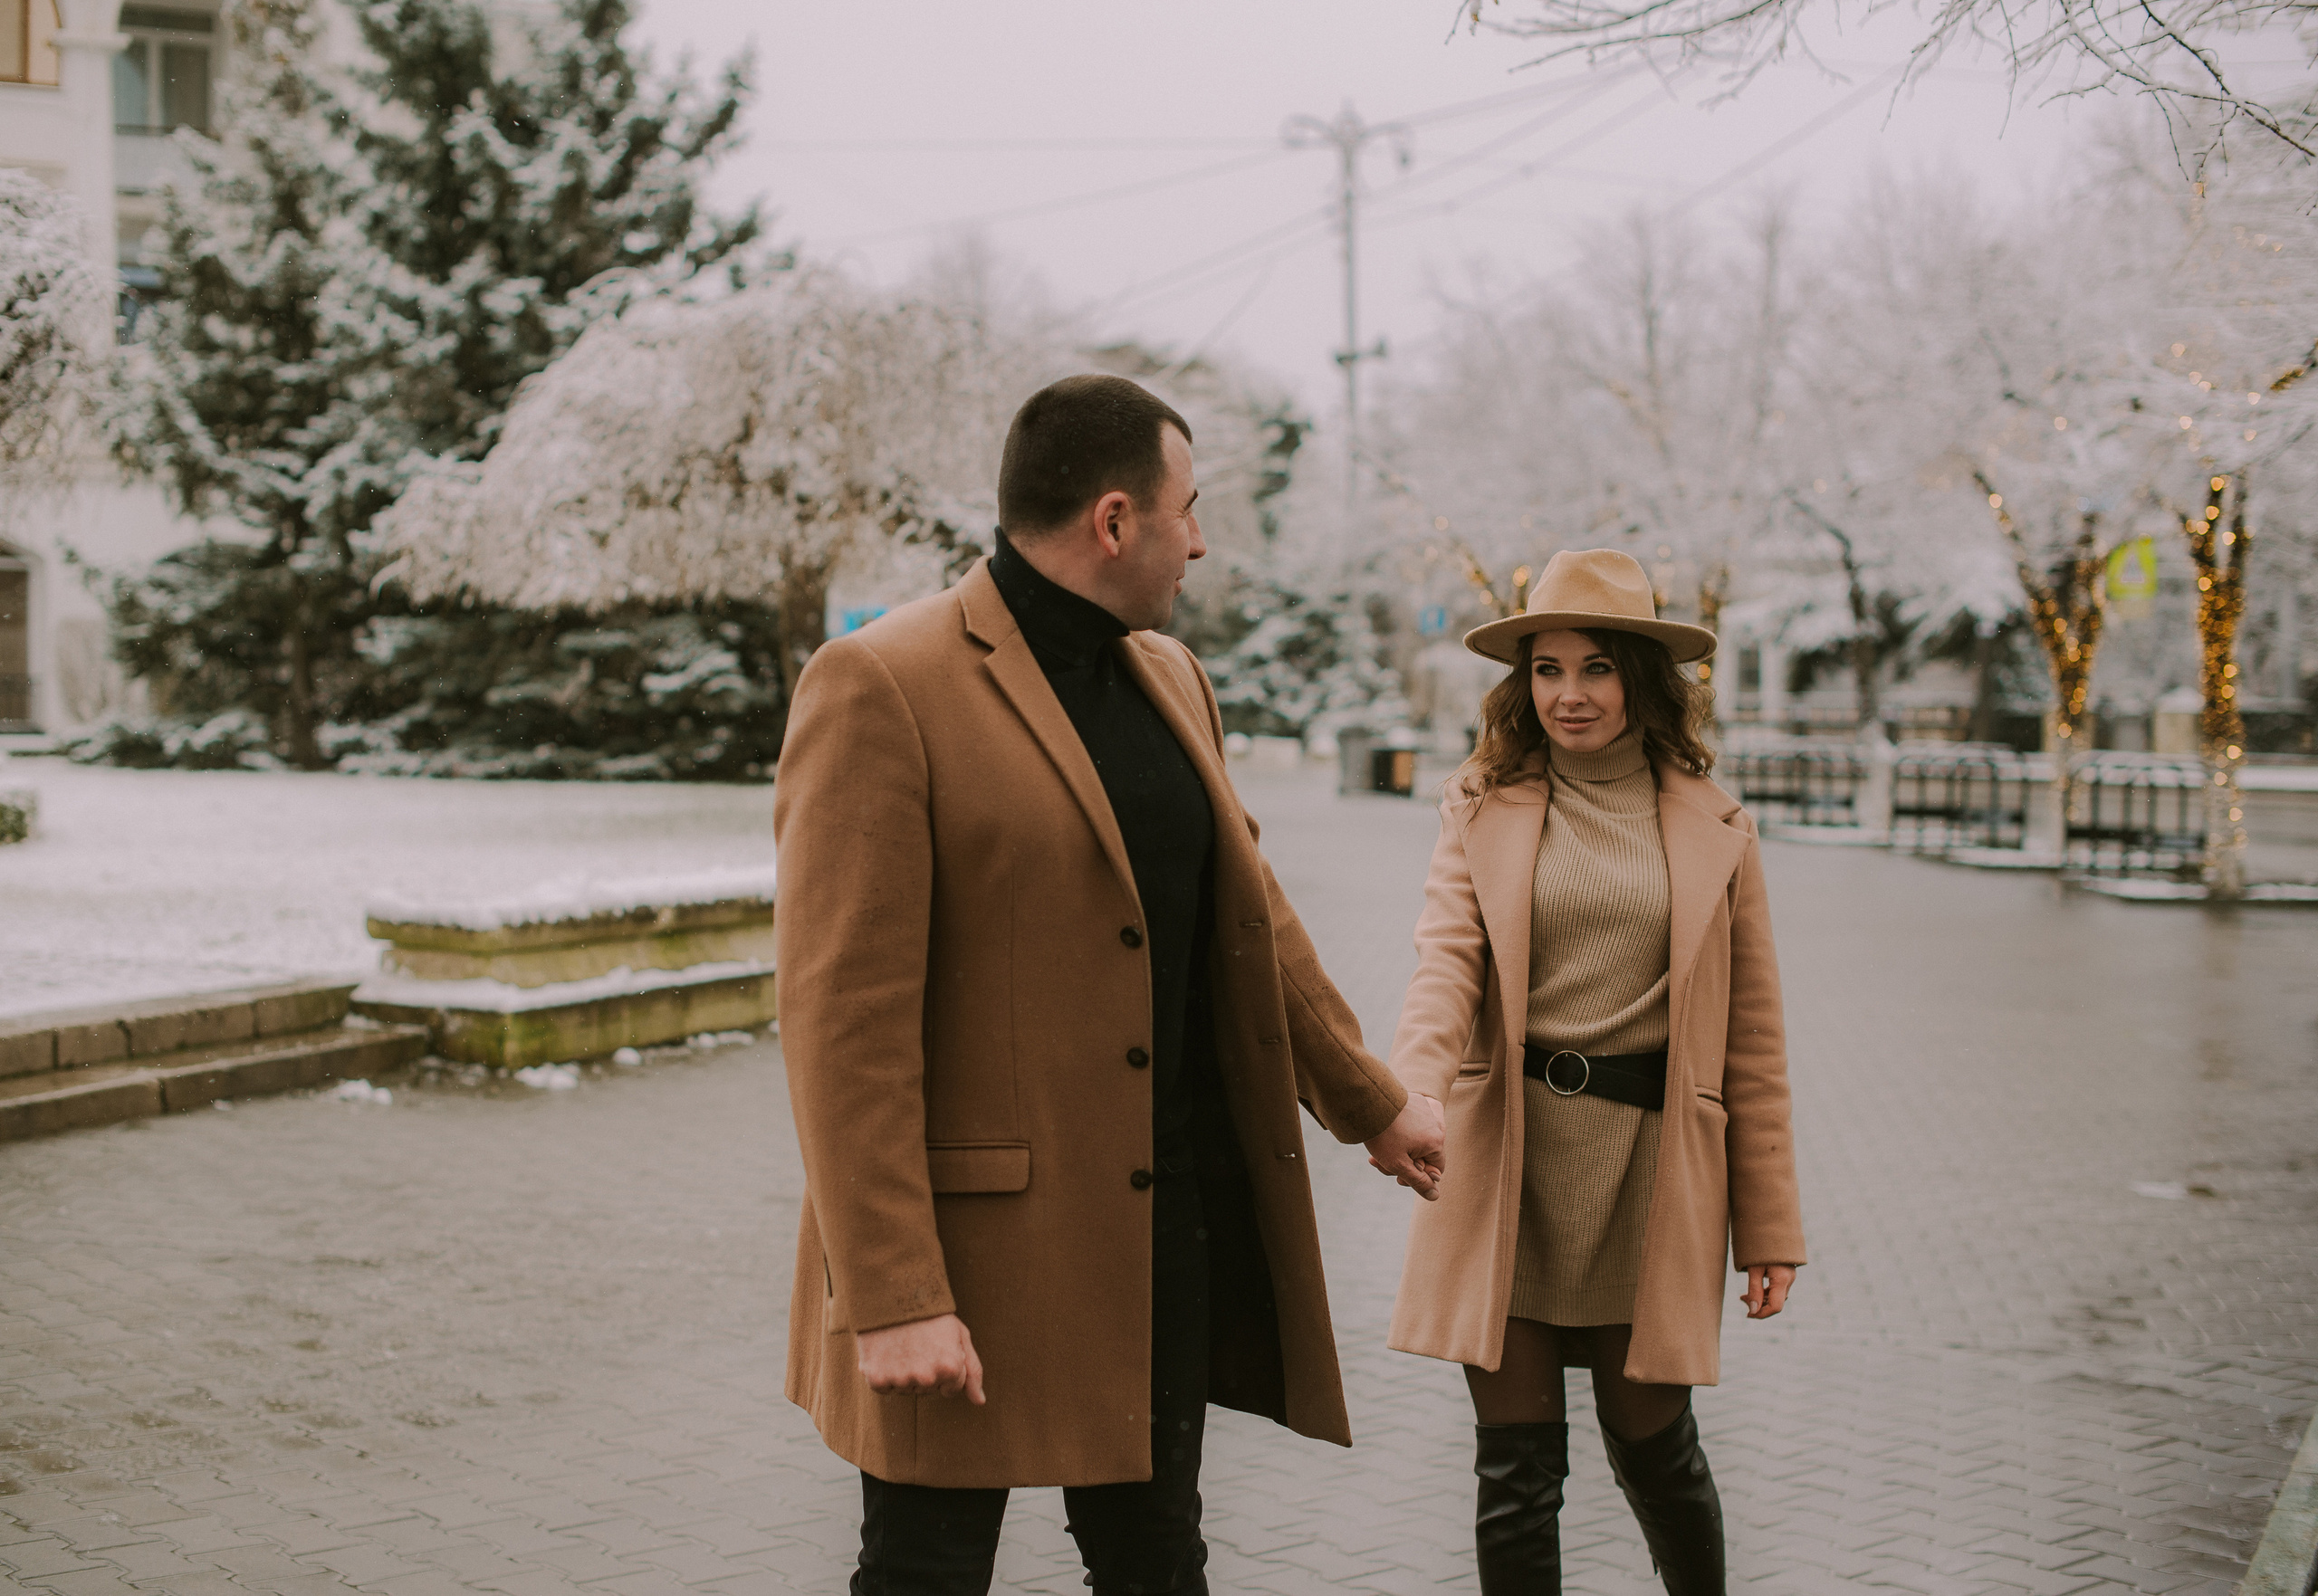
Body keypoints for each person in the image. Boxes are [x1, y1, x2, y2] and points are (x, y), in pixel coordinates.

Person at [773, 373, 1447, 1596]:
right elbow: (840, 1024)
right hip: (965, 1252)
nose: (1201, 539)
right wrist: (893, 1294)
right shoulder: (882, 683)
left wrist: (1371, 1101)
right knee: (925, 1571)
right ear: (1117, 517)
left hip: (1154, 1228)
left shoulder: (1172, 678)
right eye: (1191, 509)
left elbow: (1251, 923)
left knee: (1156, 1565)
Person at [1375, 548, 1805, 1595]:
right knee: (1516, 1469)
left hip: (1651, 1169)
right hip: (1510, 1159)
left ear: (1642, 682)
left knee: (1655, 1447)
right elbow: (1446, 965)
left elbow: (1754, 1039)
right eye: (1548, 668)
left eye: (1597, 668)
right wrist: (1411, 1089)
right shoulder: (1482, 805)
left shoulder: (1718, 827)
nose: (1569, 694)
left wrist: (1772, 1226)